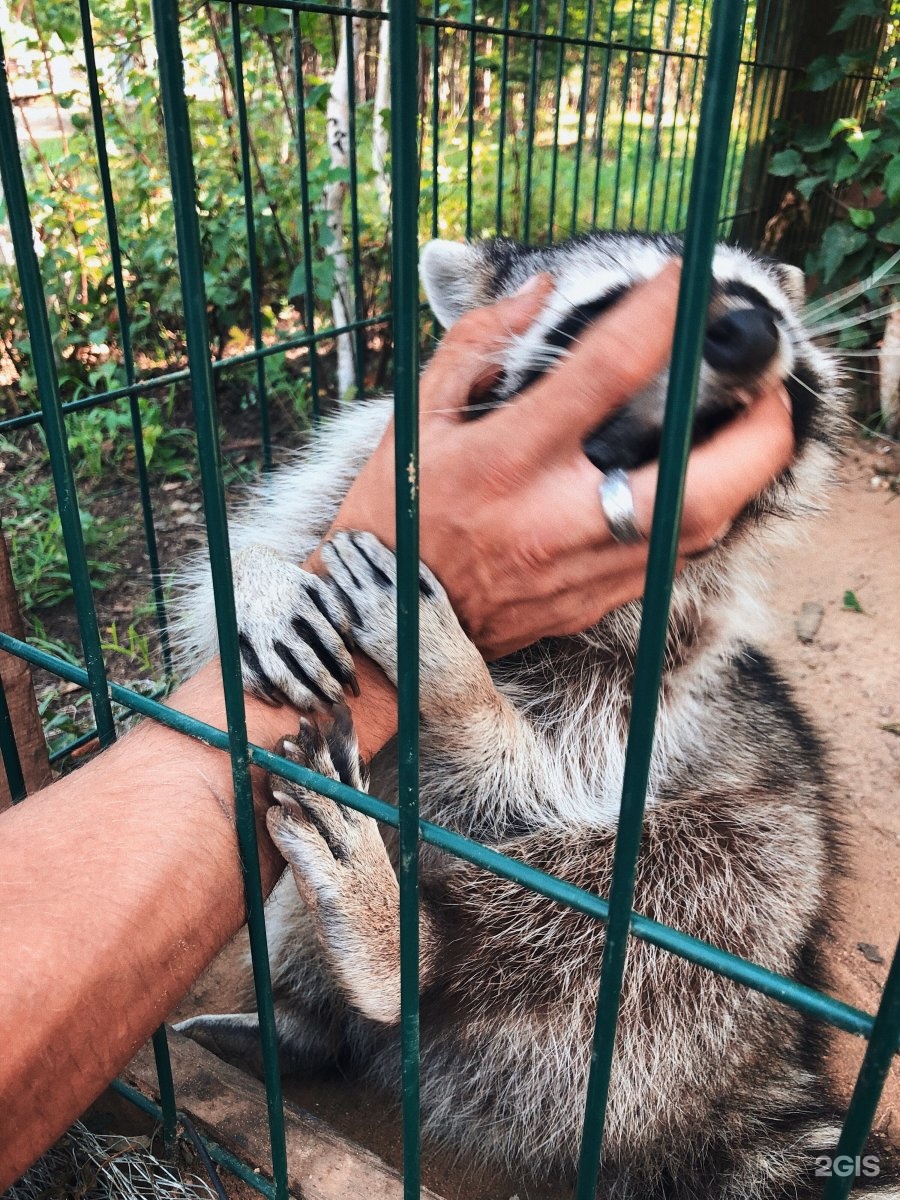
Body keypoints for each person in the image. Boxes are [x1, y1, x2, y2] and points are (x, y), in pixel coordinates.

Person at [0, 264, 794, 1188]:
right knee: (324, 802)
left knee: (644, 864)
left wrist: (456, 695)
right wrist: (263, 590)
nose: (729, 338)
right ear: (489, 329)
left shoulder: (693, 612)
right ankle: (312, 1017)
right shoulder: (400, 444)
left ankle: (403, 961)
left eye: (758, 317)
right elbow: (244, 590)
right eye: (619, 304)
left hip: (548, 1042)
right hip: (401, 884)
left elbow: (550, 806)